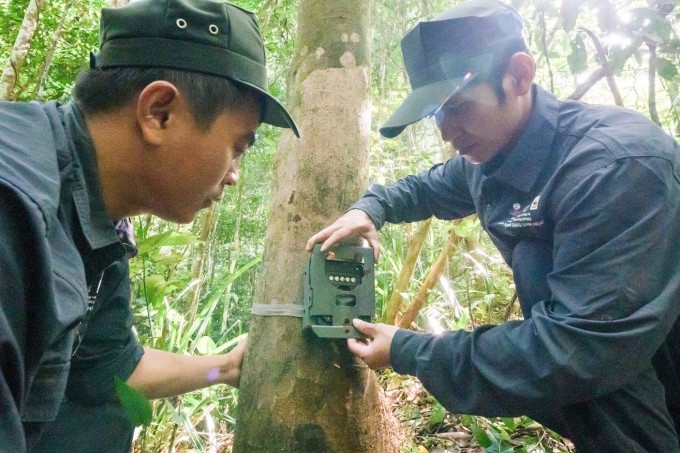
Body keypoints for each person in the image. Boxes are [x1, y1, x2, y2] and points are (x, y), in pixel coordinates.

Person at [306, 0, 680, 450]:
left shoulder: (613, 167)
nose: (446, 130)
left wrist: (411, 350)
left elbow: (575, 351)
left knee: (591, 380)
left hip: (627, 362)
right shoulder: (488, 158)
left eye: (458, 105)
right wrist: (369, 208)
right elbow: (422, 189)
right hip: (617, 371)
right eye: (436, 114)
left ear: (520, 75)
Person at [0, 0, 298, 451]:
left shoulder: (95, 218)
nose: (234, 173)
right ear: (159, 112)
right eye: (237, 146)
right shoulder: (17, 210)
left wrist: (226, 369)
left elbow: (111, 370)